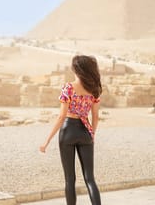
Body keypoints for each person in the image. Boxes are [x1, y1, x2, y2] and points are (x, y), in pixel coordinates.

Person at [40, 55, 102, 205]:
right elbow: (95, 116)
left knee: (70, 179)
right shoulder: (94, 89)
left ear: (77, 70)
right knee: (90, 178)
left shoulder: (68, 87)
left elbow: (61, 117)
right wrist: (91, 134)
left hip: (68, 130)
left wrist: (47, 141)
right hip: (85, 130)